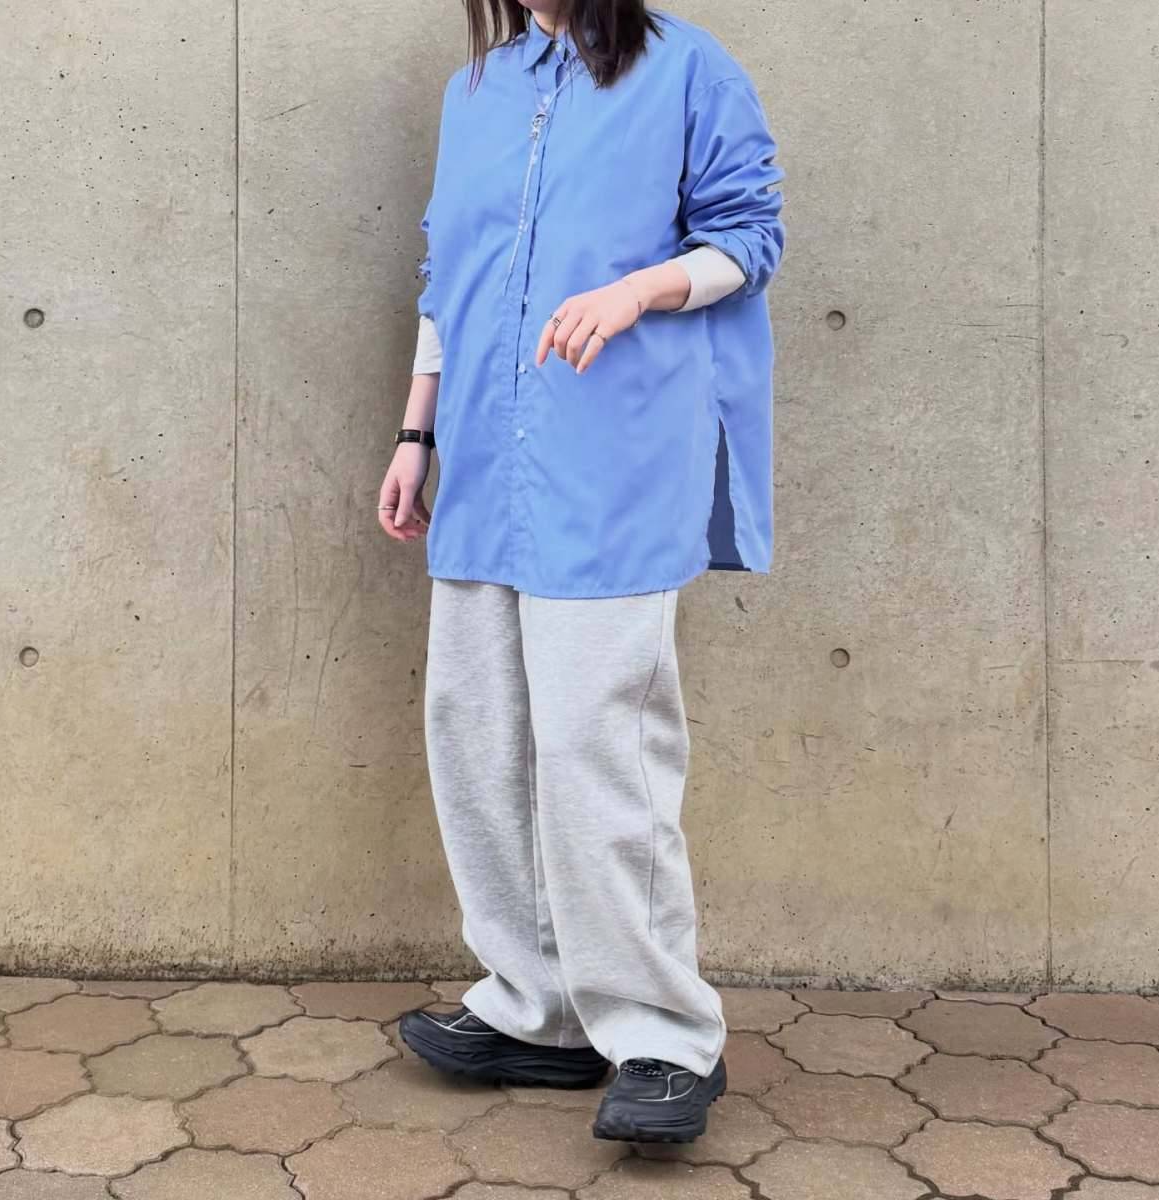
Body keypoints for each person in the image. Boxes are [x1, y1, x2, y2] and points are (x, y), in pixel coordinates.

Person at [378, 0, 786, 1144]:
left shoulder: (689, 69)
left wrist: (637, 289)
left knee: (599, 750)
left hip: (616, 460)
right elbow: (446, 274)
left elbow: (750, 237)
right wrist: (416, 432)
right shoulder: (478, 90)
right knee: (479, 737)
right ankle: (539, 1010)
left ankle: (664, 1038)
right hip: (485, 462)